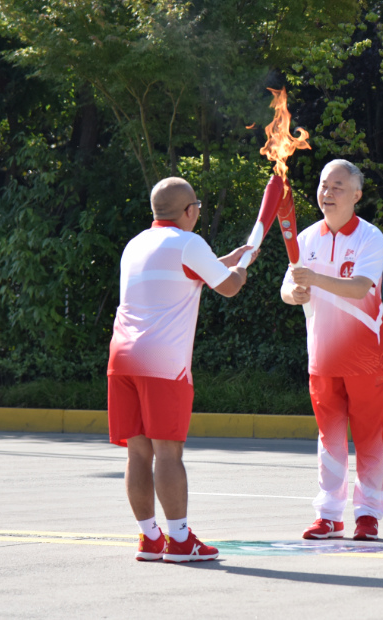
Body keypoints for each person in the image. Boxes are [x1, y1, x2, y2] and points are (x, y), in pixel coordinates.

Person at [107, 177, 255, 563]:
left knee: (138, 454)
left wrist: (224, 262)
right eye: (199, 206)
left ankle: (150, 539)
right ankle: (180, 540)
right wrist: (241, 267)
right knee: (168, 452)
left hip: (121, 357)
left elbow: (183, 277)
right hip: (163, 363)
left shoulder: (136, 244)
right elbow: (228, 287)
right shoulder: (189, 243)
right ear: (189, 211)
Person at [281, 159, 383, 541]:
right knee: (329, 436)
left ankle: (368, 513)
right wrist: (295, 292)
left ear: (357, 195)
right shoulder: (306, 238)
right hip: (323, 355)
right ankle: (329, 513)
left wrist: (315, 279)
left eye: (337, 186)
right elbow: (287, 289)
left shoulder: (369, 238)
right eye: (324, 185)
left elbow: (360, 286)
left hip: (365, 356)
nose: (327, 193)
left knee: (368, 434)